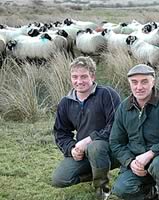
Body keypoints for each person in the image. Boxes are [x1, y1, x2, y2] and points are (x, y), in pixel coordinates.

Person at [109, 64, 159, 200]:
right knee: (121, 189)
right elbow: (116, 142)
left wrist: (152, 152)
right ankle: (151, 193)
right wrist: (130, 162)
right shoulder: (123, 108)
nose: (139, 87)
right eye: (134, 82)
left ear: (153, 82)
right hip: (137, 161)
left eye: (144, 81)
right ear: (129, 84)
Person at [51, 56, 121, 200]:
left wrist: (89, 140)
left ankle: (102, 189)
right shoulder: (66, 102)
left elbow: (116, 125)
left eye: (84, 76)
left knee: (96, 147)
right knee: (60, 179)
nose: (79, 81)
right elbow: (61, 132)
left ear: (93, 76)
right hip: (84, 152)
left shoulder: (107, 94)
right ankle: (97, 173)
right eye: (75, 77)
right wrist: (71, 148)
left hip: (111, 148)